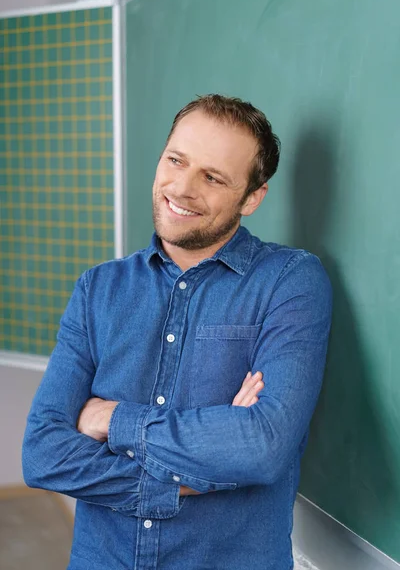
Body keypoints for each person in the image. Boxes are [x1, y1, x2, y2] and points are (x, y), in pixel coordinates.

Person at [22, 94, 332, 570]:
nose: (182, 188)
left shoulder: (290, 282)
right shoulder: (98, 288)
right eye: (176, 161)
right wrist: (185, 478)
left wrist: (112, 420)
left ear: (252, 197)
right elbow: (43, 453)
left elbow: (263, 446)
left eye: (212, 177)